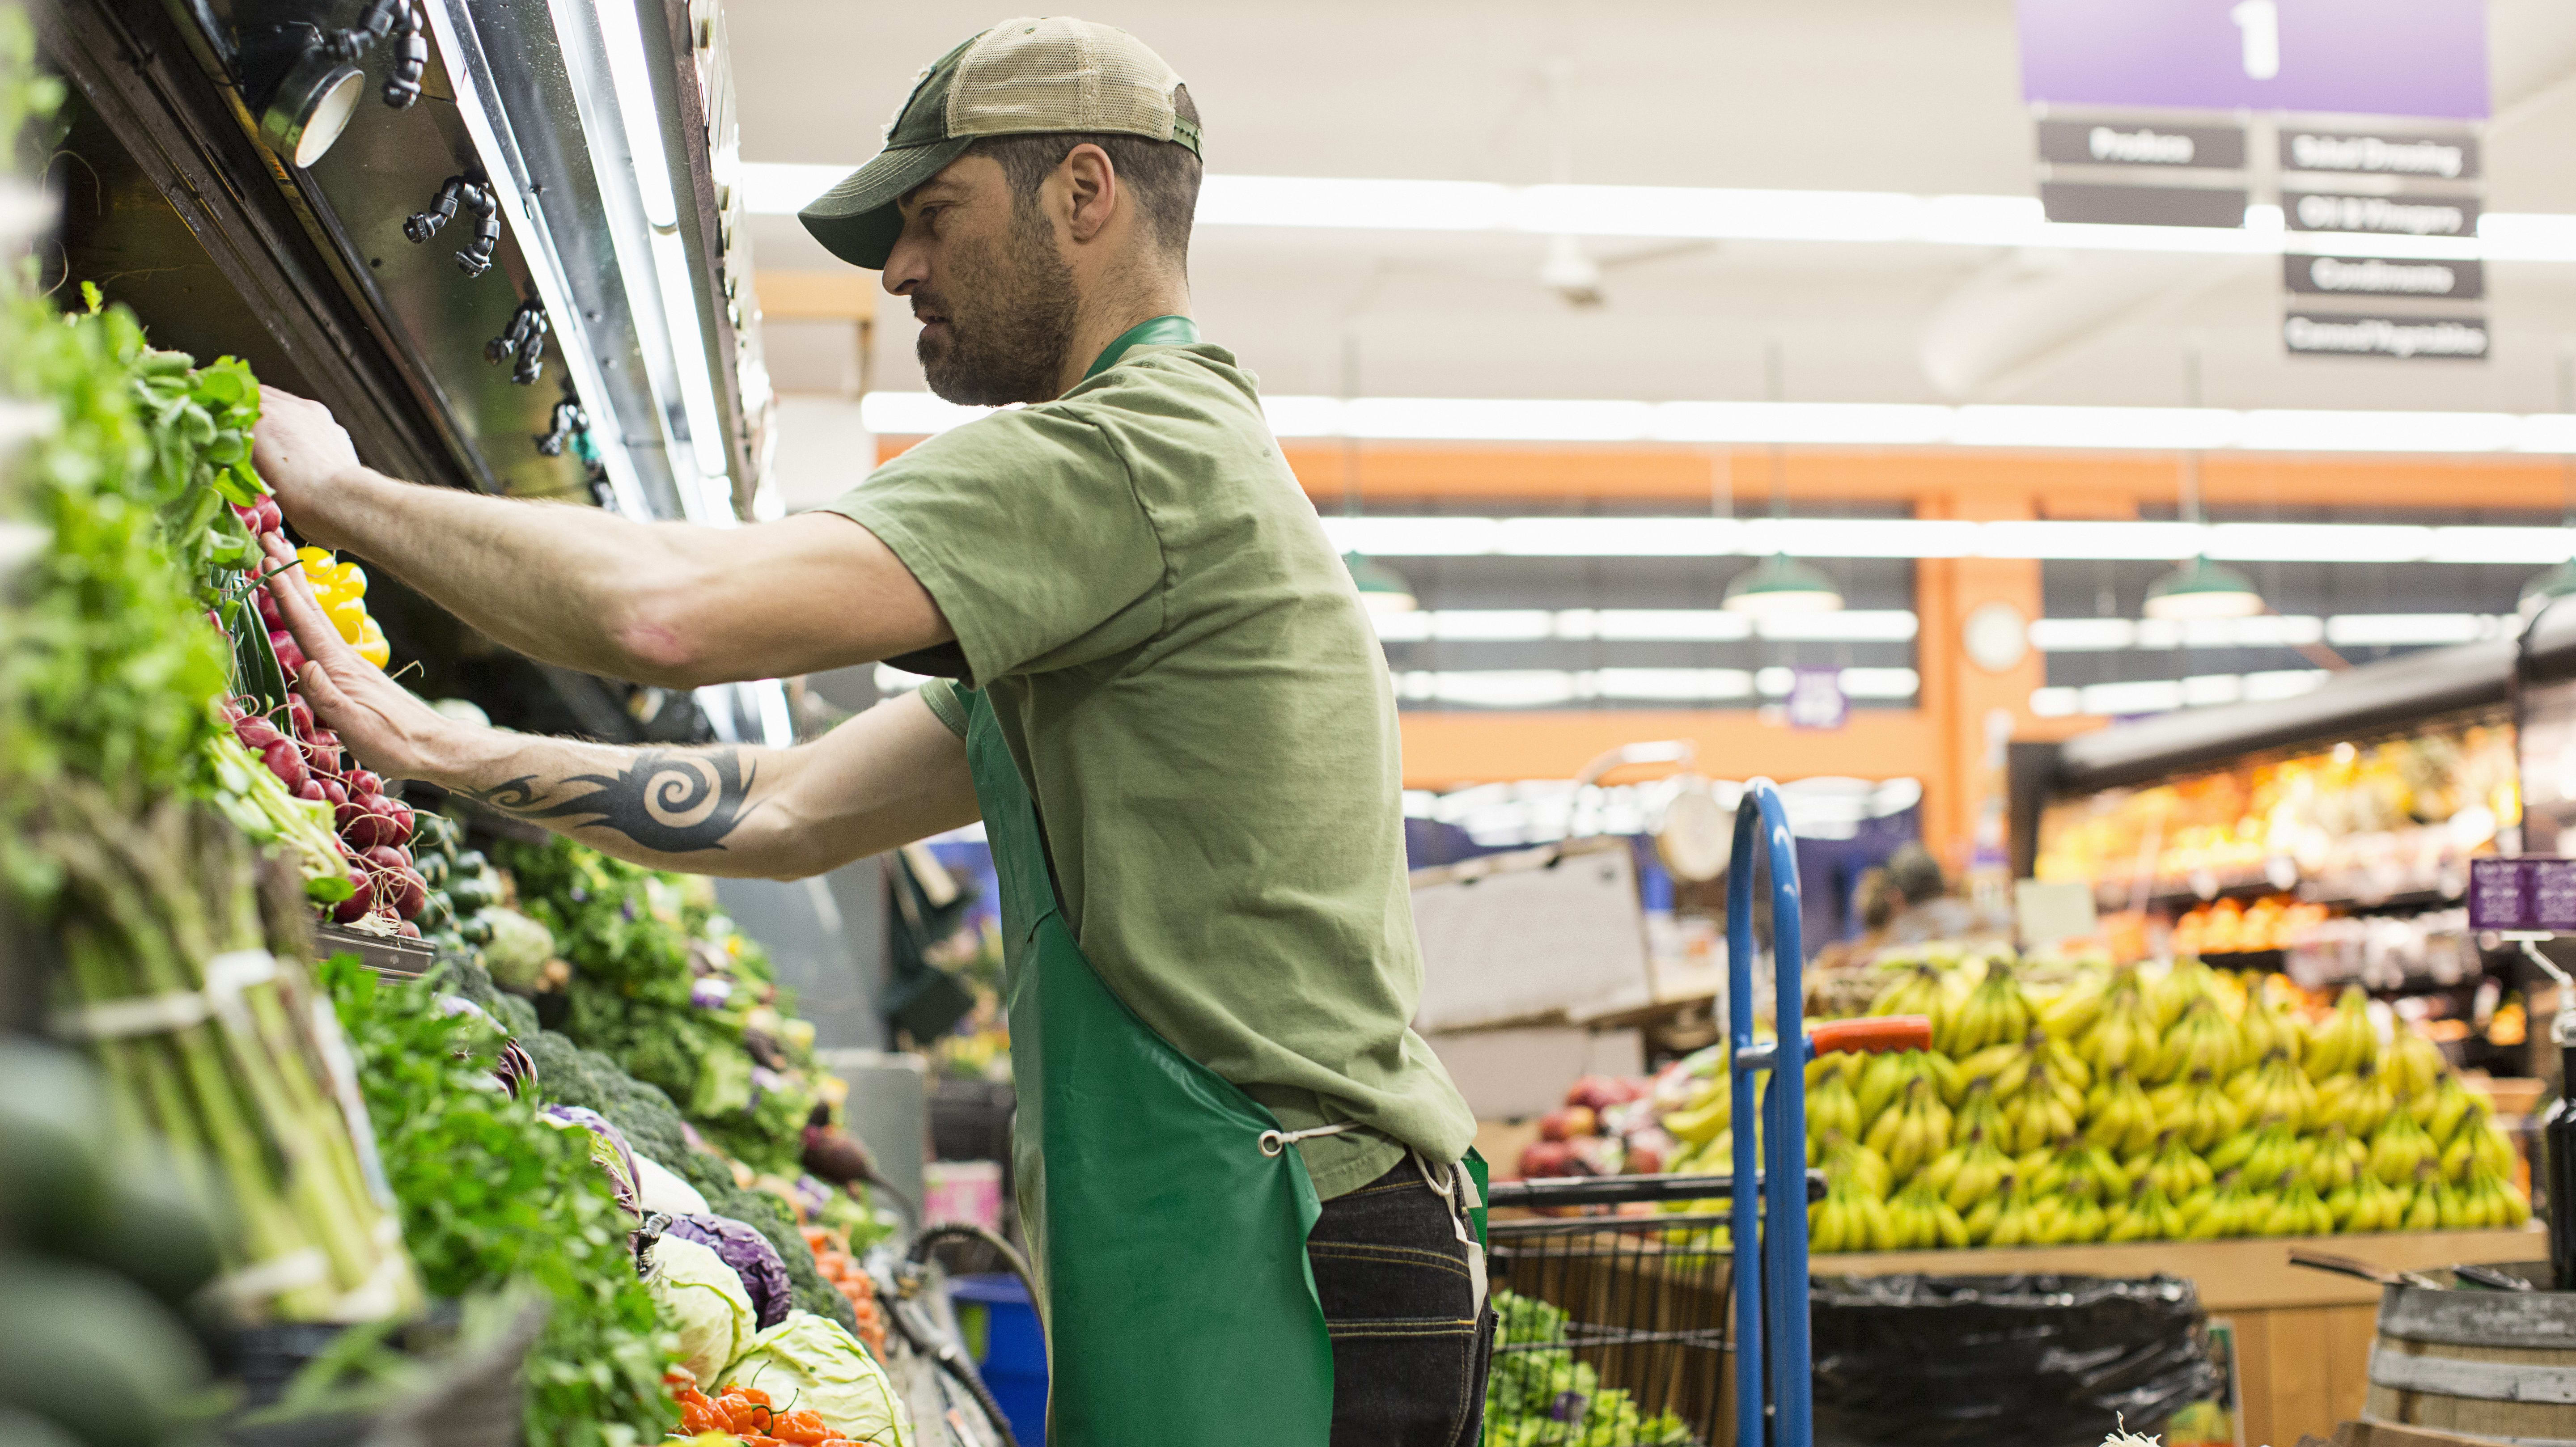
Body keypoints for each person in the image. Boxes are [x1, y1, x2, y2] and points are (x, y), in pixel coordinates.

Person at [252, 16, 1488, 1447]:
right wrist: (438, 749)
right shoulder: (1134, 543)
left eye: (933, 214)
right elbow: (788, 812)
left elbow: (669, 616)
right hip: (1234, 1230)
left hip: (1277, 1238)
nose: (901, 267)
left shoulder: (1133, 458)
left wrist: (342, 491)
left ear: (1085, 194)